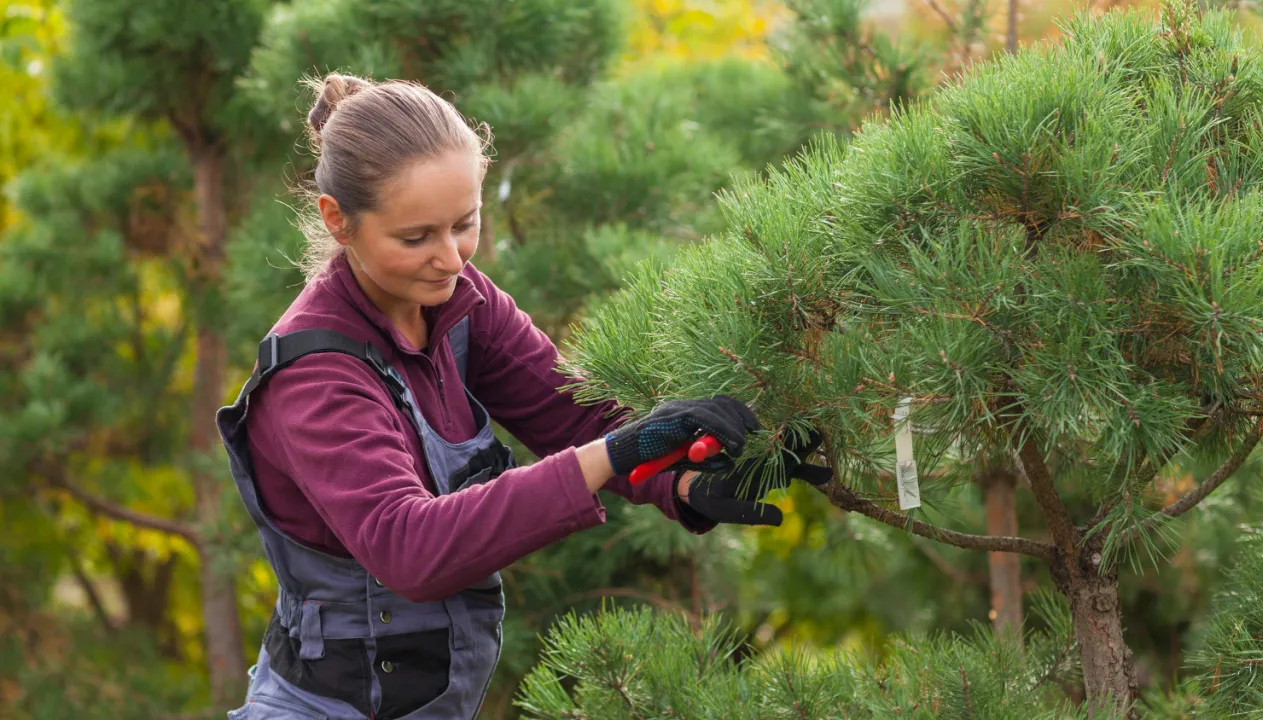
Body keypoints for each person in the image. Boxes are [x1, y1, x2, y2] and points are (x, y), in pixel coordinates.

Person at [214, 73, 828, 720]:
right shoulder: (316, 377)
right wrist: (617, 455)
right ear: (339, 221)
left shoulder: (458, 300)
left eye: (465, 224)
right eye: (416, 237)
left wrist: (678, 479)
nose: (451, 259)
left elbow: (573, 412)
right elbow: (409, 548)